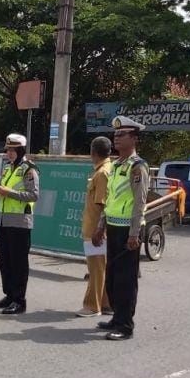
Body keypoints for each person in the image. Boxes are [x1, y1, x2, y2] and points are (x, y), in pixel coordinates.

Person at [96, 116, 150, 341]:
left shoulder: (138, 167)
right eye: (115, 134)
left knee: (125, 280)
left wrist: (134, 233)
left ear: (134, 138)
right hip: (113, 226)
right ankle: (117, 317)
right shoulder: (117, 165)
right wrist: (101, 225)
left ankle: (125, 325)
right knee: (112, 278)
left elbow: (139, 202)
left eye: (122, 134)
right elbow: (110, 199)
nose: (116, 138)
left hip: (129, 230)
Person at [0, 133, 39, 315]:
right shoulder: (7, 168)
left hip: (20, 223)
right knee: (5, 261)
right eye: (8, 150)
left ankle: (19, 300)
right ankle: (9, 295)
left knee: (19, 264)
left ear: (21, 150)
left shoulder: (29, 169)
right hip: (4, 220)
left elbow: (33, 195)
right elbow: (4, 190)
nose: (9, 153)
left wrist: (8, 192)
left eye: (13, 150)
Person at [77, 136, 113, 318]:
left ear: (93, 152)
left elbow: (103, 204)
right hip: (98, 229)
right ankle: (105, 303)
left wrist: (99, 230)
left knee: (96, 269)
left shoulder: (101, 174)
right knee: (101, 267)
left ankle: (92, 306)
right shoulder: (106, 169)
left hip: (96, 230)